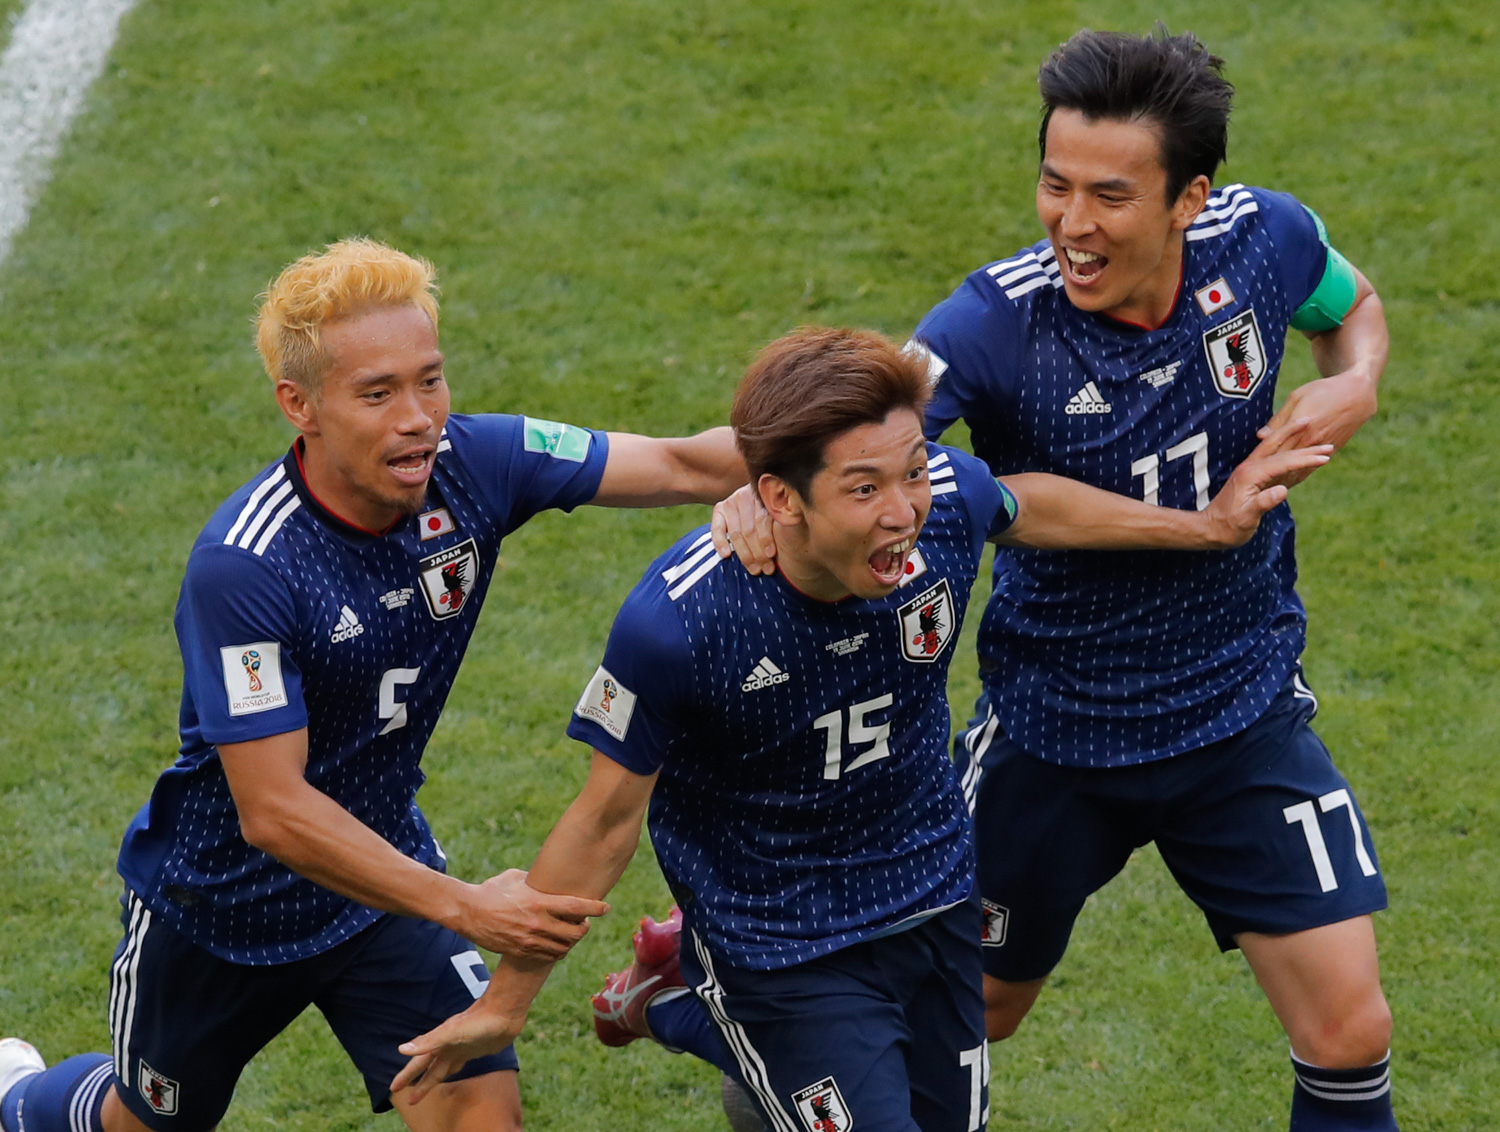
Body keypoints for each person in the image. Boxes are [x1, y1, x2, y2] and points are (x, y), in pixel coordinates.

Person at [388, 327, 1329, 1131]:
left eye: (912, 472)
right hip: (779, 942)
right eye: (865, 489)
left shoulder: (943, 515)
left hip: (930, 897)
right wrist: (506, 1006)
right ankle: (708, 997)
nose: (904, 512)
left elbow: (1020, 502)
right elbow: (600, 823)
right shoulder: (680, 625)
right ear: (779, 499)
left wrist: (1203, 527)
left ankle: (685, 1000)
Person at [720, 26, 1395, 1132]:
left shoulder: (1264, 241)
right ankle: (721, 1024)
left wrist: (1358, 380)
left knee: (1350, 1031)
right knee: (961, 1021)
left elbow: (1350, 305)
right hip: (1054, 737)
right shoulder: (993, 322)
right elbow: (861, 437)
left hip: (1241, 713)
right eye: (1054, 184)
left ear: (1190, 197)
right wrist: (762, 489)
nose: (1072, 225)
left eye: (1110, 196)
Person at [0, 238, 754, 1132]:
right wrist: (471, 905)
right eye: (378, 393)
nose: (418, 418)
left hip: (381, 887)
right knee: (137, 1125)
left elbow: (682, 464)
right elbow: (273, 811)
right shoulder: (245, 568)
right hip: (218, 912)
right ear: (300, 405)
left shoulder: (479, 462)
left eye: (430, 381)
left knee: (483, 1116)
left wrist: (817, 462)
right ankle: (21, 1097)